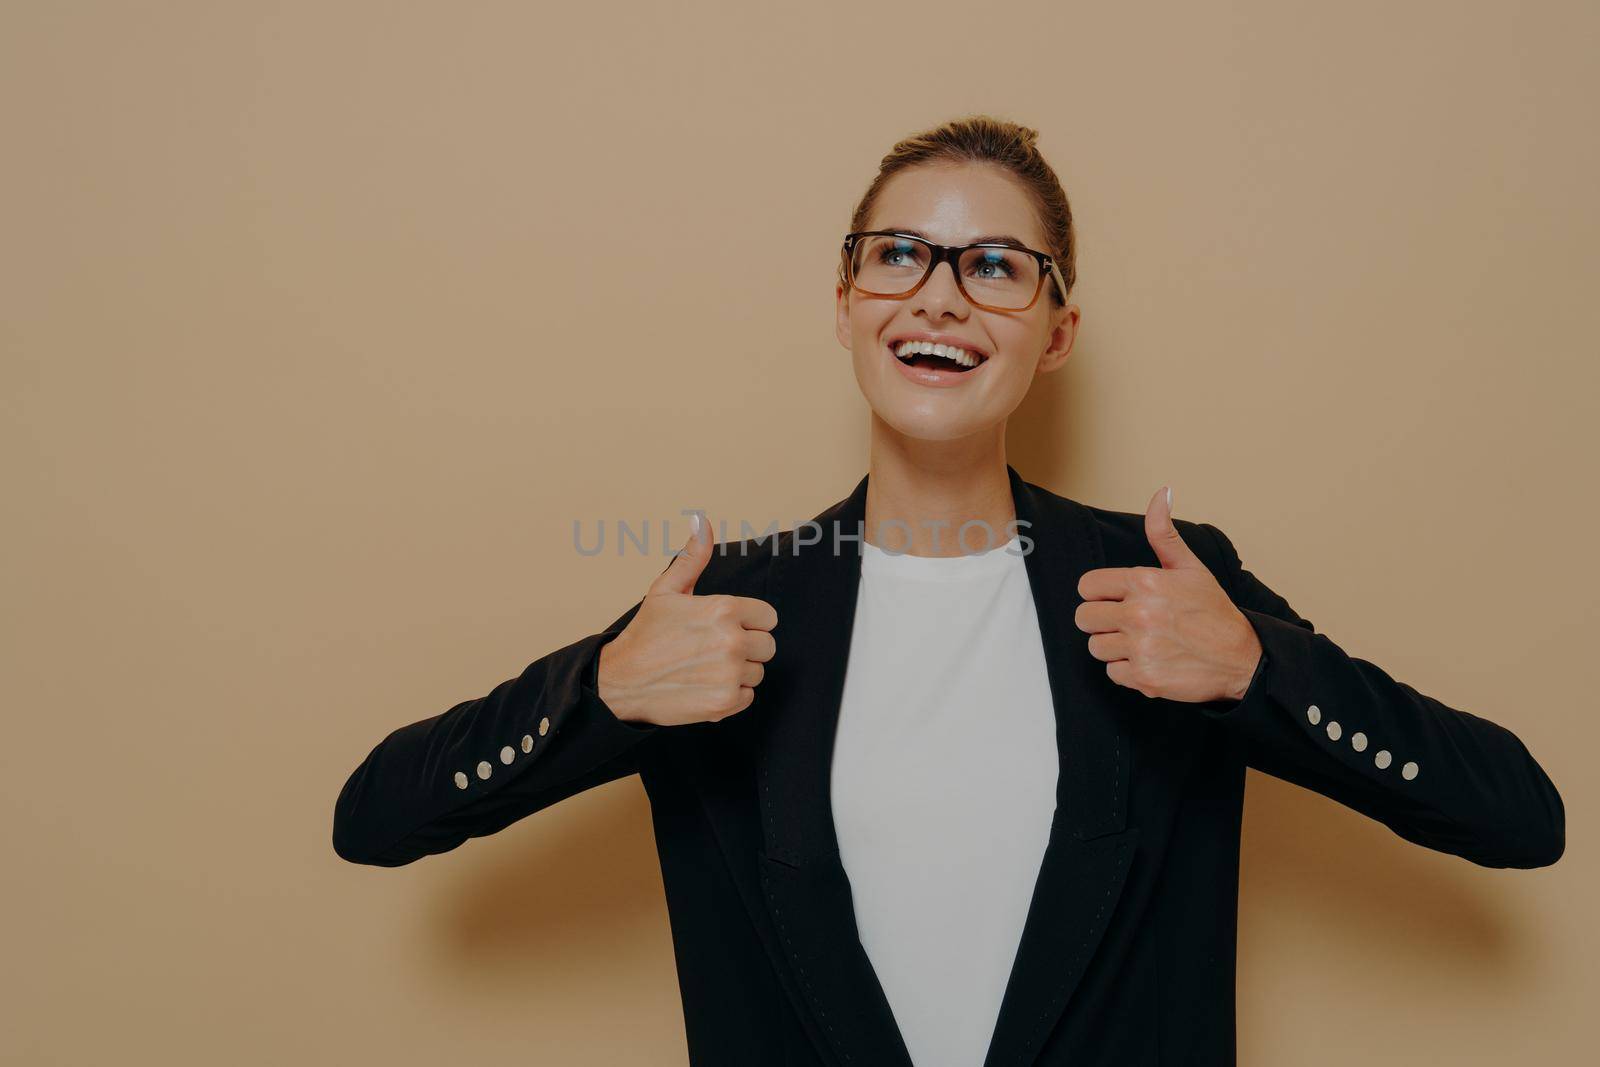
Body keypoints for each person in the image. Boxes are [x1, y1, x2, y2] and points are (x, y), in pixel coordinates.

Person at [332, 115, 1565, 1067]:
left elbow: (1519, 814)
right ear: (846, 302)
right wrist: (599, 690)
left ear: (1056, 330)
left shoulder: (1166, 584)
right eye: (900, 256)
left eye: (993, 264)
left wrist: (1259, 673)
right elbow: (375, 814)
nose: (938, 292)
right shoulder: (730, 599)